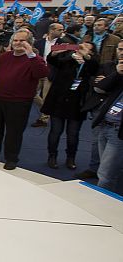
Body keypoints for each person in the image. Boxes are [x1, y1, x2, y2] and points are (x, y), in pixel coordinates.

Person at [0, 29, 49, 170]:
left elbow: (42, 73)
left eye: (21, 41)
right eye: (15, 40)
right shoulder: (5, 57)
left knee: (13, 132)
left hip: (19, 102)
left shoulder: (35, 59)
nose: (17, 43)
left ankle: (11, 158)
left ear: (29, 43)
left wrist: (31, 54)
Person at [41, 41, 99, 169]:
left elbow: (95, 67)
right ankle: (52, 156)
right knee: (55, 131)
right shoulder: (68, 58)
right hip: (59, 100)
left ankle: (70, 158)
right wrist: (55, 53)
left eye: (85, 47)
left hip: (77, 103)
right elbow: (53, 60)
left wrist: (85, 57)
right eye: (80, 46)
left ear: (91, 52)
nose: (80, 49)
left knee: (73, 133)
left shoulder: (91, 63)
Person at [91, 43, 123, 194]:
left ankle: (101, 206)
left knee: (105, 175)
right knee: (109, 171)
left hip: (118, 132)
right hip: (105, 124)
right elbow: (100, 87)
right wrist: (117, 73)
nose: (122, 53)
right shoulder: (114, 69)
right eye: (120, 49)